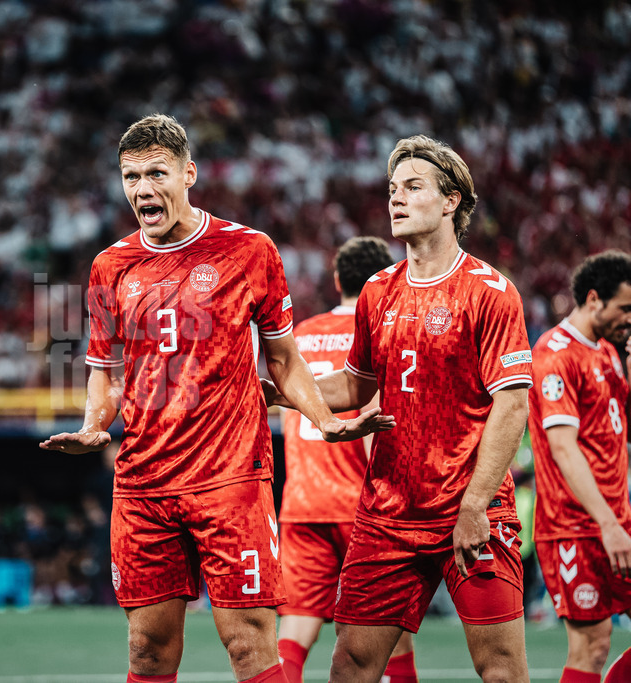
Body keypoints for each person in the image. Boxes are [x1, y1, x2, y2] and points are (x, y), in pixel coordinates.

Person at [40, 114, 393, 683]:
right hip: (143, 482)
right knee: (148, 652)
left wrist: (325, 419)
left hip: (231, 477)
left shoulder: (250, 250)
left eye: (157, 173)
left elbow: (282, 359)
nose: (142, 189)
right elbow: (104, 372)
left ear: (188, 174)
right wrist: (92, 426)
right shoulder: (110, 266)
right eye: (131, 177)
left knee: (250, 645)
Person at [308, 135, 533, 682]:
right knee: (351, 663)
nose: (396, 200)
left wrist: (475, 504)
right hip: (387, 513)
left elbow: (512, 405)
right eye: (392, 190)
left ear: (451, 200)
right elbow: (356, 387)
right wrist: (275, 388)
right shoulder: (377, 291)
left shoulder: (490, 291)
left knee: (501, 668)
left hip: (469, 506)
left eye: (412, 187)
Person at [270, 237, 417, 683]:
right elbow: (383, 418)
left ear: (337, 280)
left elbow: (282, 408)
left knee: (294, 631)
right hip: (366, 507)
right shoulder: (381, 329)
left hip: (303, 504)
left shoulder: (301, 335)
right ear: (383, 280)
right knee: (392, 636)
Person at [526, 250, 631, 683]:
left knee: (598, 645)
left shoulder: (607, 352)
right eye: (624, 308)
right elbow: (564, 449)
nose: (630, 318)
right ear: (593, 300)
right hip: (575, 527)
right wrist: (607, 523)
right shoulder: (555, 354)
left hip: (616, 520)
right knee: (592, 646)